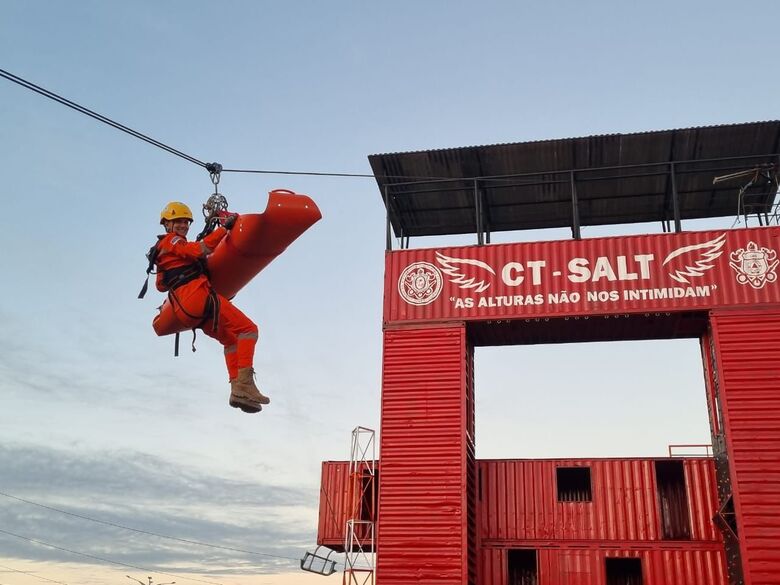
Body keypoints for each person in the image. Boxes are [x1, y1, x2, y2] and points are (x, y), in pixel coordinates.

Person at [153, 201, 270, 414]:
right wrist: (224, 229)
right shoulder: (171, 240)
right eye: (178, 221)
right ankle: (245, 383)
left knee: (231, 340)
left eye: (186, 222)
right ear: (167, 224)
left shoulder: (164, 251)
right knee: (248, 330)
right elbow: (200, 249)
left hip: (187, 312)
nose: (183, 225)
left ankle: (237, 390)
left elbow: (160, 285)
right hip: (197, 297)